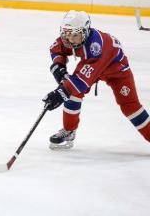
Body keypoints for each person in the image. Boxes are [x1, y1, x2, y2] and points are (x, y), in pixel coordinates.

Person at [42, 11, 150, 149]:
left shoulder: (96, 48)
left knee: (130, 107)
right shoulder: (73, 37)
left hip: (116, 71)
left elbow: (80, 82)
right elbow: (56, 49)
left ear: (85, 32)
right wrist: (58, 66)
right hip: (94, 66)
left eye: (74, 35)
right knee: (72, 92)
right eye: (66, 34)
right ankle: (69, 130)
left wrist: (60, 94)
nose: (69, 40)